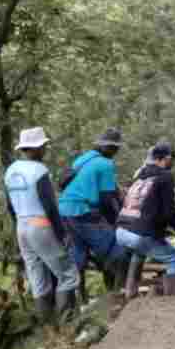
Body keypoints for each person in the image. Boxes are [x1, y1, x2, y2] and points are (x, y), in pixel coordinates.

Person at [5, 127, 78, 324]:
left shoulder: (11, 171)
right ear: (35, 148)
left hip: (21, 227)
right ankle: (68, 323)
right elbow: (49, 206)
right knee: (68, 275)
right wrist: (62, 234)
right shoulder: (39, 170)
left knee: (38, 279)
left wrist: (21, 224)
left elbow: (9, 206)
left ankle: (48, 330)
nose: (45, 149)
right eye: (43, 146)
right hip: (40, 224)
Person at [59, 128, 129, 304]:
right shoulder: (105, 164)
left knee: (78, 255)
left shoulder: (83, 159)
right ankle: (117, 299)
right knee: (117, 251)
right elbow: (106, 199)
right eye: (115, 148)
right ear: (107, 147)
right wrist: (115, 222)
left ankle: (81, 302)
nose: (116, 152)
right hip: (84, 211)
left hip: (66, 211)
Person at [115, 141, 175, 294]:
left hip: (121, 230)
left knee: (140, 251)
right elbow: (170, 212)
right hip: (139, 233)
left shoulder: (141, 174)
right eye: (173, 158)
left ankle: (131, 292)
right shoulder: (165, 177)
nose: (173, 162)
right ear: (167, 158)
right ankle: (172, 300)